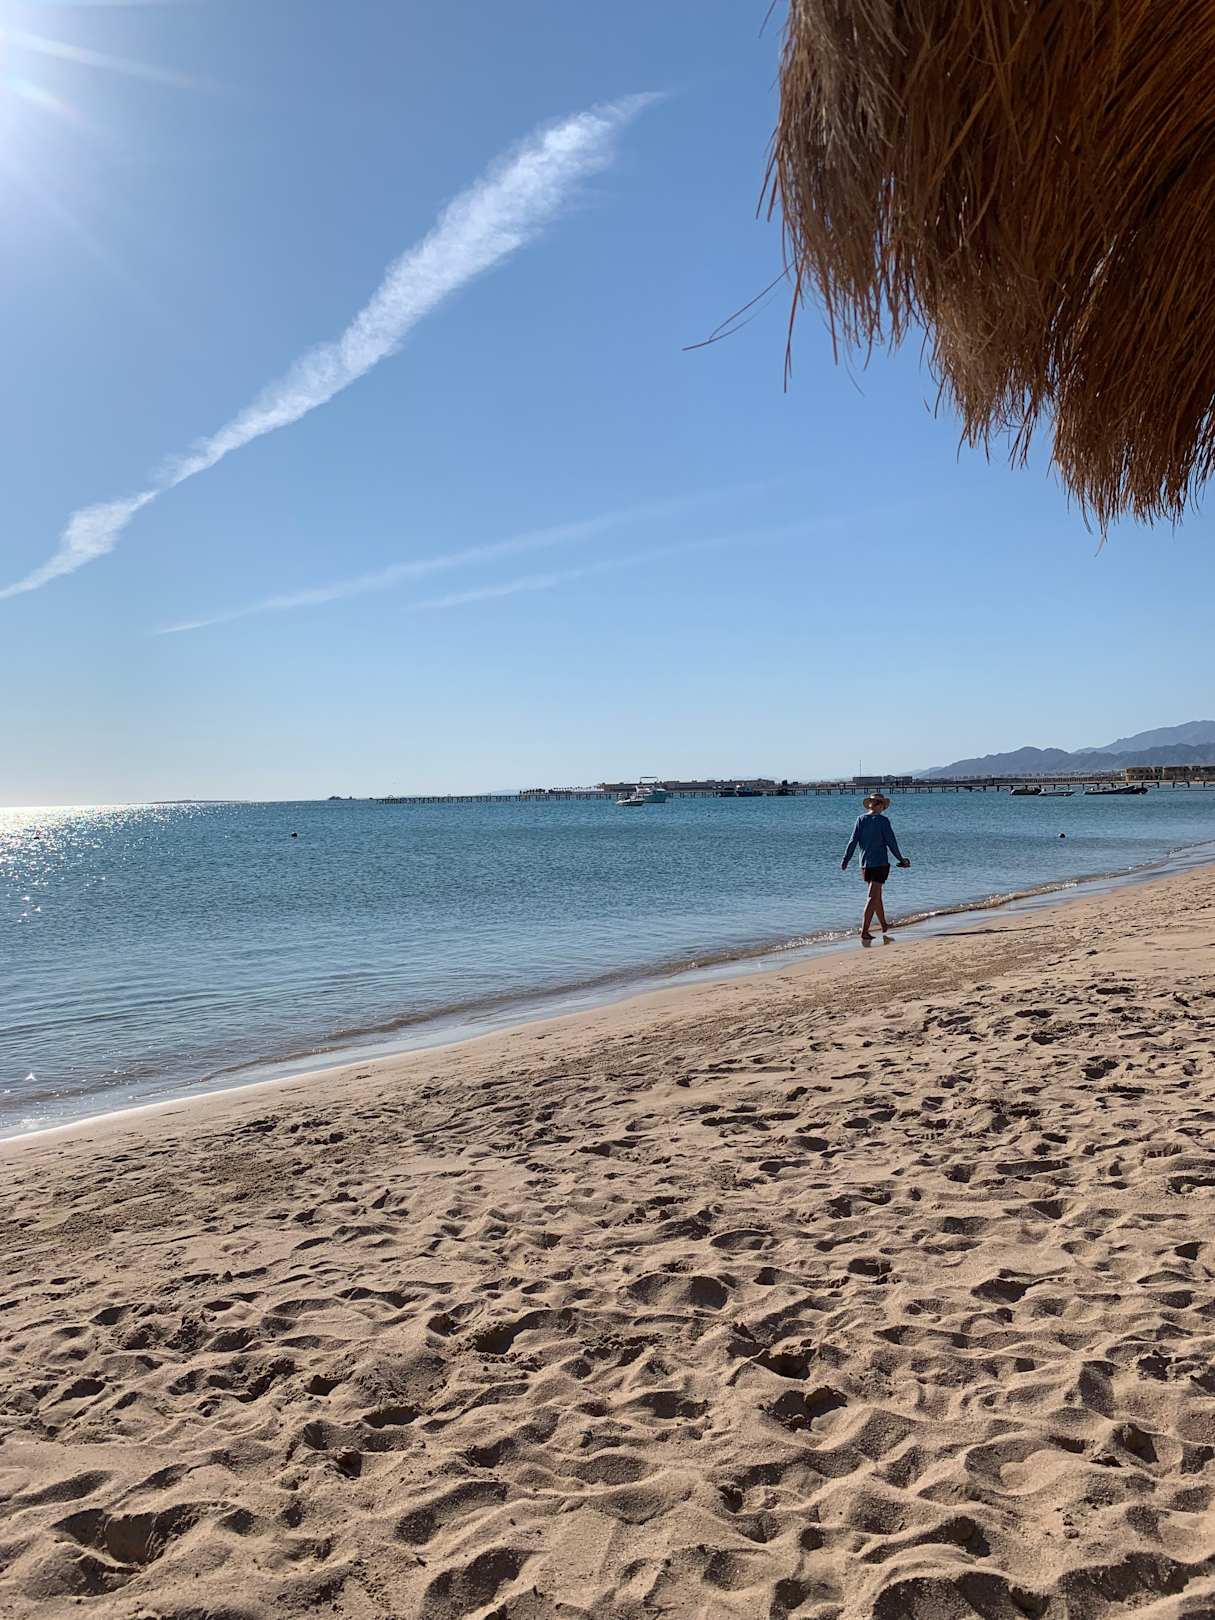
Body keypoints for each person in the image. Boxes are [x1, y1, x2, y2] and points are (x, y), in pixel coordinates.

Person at [841, 793, 910, 941]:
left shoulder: (861, 819)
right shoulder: (883, 821)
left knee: (876, 895)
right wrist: (901, 859)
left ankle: (884, 924)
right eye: (883, 806)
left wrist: (846, 859)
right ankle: (864, 931)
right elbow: (891, 843)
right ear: (880, 805)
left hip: (865, 865)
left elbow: (852, 841)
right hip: (880, 864)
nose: (884, 808)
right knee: (873, 897)